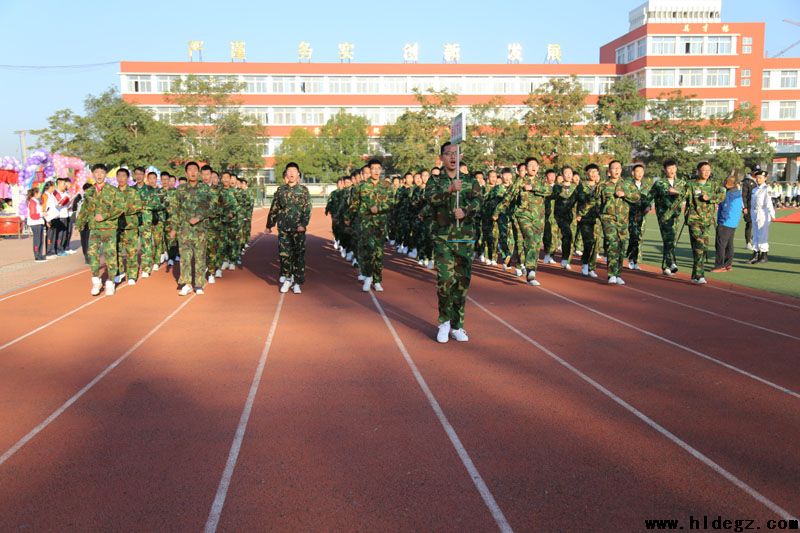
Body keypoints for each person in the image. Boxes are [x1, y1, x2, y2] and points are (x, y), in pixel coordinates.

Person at [425, 142, 482, 343]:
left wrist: (465, 211)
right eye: (448, 154)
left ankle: (458, 325)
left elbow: (478, 202)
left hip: (465, 238)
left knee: (462, 283)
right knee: (445, 280)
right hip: (443, 239)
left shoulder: (469, 180)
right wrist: (449, 190)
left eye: (455, 154)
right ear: (441, 158)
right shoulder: (434, 180)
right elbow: (430, 199)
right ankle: (444, 322)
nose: (452, 157)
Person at [580, 160, 640, 285]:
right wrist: (581, 213)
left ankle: (618, 273)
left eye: (618, 168)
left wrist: (625, 194)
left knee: (621, 246)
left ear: (621, 170)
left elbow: (637, 198)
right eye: (614, 168)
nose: (616, 170)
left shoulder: (628, 184)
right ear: (609, 171)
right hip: (608, 218)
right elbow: (593, 200)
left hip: (623, 220)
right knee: (612, 243)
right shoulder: (603, 185)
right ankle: (611, 274)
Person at [76, 164, 126, 296]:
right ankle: (96, 281)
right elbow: (84, 210)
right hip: (94, 229)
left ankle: (110, 282)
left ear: (105, 174)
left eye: (101, 172)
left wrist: (104, 216)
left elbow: (120, 207)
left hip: (109, 228)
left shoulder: (113, 191)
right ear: (93, 174)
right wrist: (80, 224)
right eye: (96, 172)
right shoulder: (89, 192)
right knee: (92, 254)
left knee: (110, 256)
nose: (99, 175)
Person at [169, 161, 215, 296]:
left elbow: (213, 207)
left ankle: (199, 284)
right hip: (184, 229)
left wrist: (200, 216)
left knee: (200, 257)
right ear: (186, 173)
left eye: (195, 170)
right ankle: (187, 283)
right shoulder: (181, 190)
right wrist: (173, 228)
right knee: (185, 257)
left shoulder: (205, 189)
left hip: (200, 230)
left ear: (199, 173)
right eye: (190, 170)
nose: (193, 172)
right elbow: (174, 209)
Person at [266, 162, 311, 294]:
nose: (291, 173)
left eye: (294, 171)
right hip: (284, 228)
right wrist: (269, 225)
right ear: (286, 173)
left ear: (298, 174)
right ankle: (287, 278)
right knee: (284, 255)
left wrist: (303, 224)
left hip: (298, 229)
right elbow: (274, 208)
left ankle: (297, 282)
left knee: (298, 255)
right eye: (289, 171)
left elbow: (307, 209)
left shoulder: (303, 190)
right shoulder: (281, 190)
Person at [351, 159, 393, 292]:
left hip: (380, 225)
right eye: (373, 168)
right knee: (368, 252)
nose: (376, 171)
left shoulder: (386, 186)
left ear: (381, 170)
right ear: (369, 170)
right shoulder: (361, 187)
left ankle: (378, 280)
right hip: (366, 224)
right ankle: (368, 277)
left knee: (379, 253)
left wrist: (379, 208)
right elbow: (354, 205)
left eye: (378, 168)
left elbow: (392, 203)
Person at [684, 161, 725, 284]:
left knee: (702, 248)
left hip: (707, 221)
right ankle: (699, 275)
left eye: (708, 170)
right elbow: (681, 195)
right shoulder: (691, 185)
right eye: (704, 170)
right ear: (698, 171)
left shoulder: (713, 185)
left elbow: (722, 195)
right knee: (700, 246)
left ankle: (694, 275)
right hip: (694, 220)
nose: (706, 172)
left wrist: (710, 198)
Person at [650, 159, 688, 276]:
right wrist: (645, 206)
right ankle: (671, 263)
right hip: (664, 216)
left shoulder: (682, 183)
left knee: (671, 240)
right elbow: (650, 196)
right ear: (664, 170)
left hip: (676, 215)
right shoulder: (659, 183)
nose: (671, 170)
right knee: (668, 239)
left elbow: (686, 195)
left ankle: (666, 266)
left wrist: (677, 192)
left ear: (676, 168)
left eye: (673, 168)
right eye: (669, 168)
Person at [114, 168, 143, 285]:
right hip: (116, 227)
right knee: (116, 251)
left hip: (130, 226)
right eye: (119, 176)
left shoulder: (133, 192)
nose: (121, 178)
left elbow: (138, 206)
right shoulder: (112, 192)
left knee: (131, 252)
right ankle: (120, 272)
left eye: (123, 176)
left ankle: (132, 275)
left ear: (127, 178)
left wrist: (125, 209)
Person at [711, 171, 743, 272]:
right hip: (733, 222)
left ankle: (719, 265)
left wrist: (721, 221)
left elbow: (725, 208)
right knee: (729, 244)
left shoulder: (728, 194)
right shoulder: (738, 193)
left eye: (725, 181)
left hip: (725, 222)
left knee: (720, 244)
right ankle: (728, 264)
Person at [626, 163, 653, 270]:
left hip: (642, 216)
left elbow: (648, 199)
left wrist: (648, 206)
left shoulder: (646, 186)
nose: (640, 174)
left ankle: (635, 260)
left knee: (639, 238)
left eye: (641, 172)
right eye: (637, 171)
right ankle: (631, 258)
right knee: (633, 237)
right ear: (633, 173)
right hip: (630, 215)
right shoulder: (627, 185)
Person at [750, 170, 775, 264]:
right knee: (755, 234)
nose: (758, 179)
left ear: (765, 178)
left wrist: (772, 214)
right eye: (757, 177)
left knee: (762, 234)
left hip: (763, 213)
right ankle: (755, 254)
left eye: (760, 177)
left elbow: (769, 203)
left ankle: (764, 255)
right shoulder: (754, 189)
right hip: (754, 212)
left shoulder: (766, 189)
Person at [26, 187, 46, 262]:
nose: (40, 194)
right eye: (39, 192)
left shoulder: (36, 201)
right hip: (35, 223)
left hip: (39, 222)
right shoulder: (32, 202)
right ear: (35, 193)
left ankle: (40, 255)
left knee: (40, 239)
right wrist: (42, 214)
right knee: (37, 240)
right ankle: (37, 256)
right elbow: (33, 215)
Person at [740, 170, 756, 249]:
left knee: (758, 224)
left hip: (757, 207)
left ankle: (753, 239)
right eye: (755, 171)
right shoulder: (746, 182)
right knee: (749, 224)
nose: (757, 173)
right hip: (749, 207)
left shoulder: (759, 181)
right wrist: (744, 207)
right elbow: (743, 196)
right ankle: (748, 243)